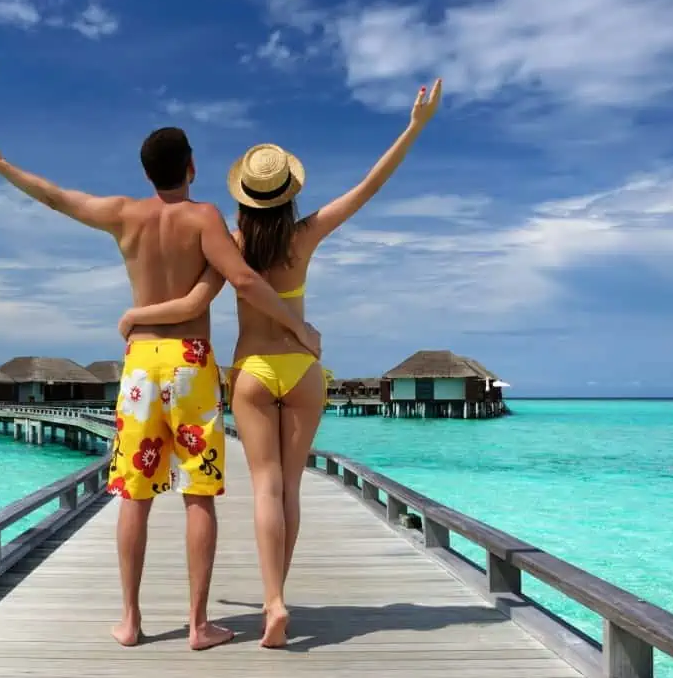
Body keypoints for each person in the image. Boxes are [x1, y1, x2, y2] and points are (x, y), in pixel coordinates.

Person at [0, 126, 321, 651]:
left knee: (134, 496)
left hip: (139, 366)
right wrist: (297, 328)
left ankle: (130, 620)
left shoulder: (123, 215)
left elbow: (56, 197)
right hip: (191, 363)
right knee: (197, 495)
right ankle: (198, 625)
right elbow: (243, 281)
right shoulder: (204, 219)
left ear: (147, 173)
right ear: (192, 168)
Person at [117, 79, 443, 647]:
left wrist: (134, 318)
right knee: (291, 488)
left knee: (264, 488)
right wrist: (413, 126)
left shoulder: (229, 242)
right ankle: (276, 599)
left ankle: (268, 604)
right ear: (289, 192)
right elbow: (370, 186)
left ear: (243, 193)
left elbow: (196, 302)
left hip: (251, 372)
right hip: (302, 369)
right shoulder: (306, 235)